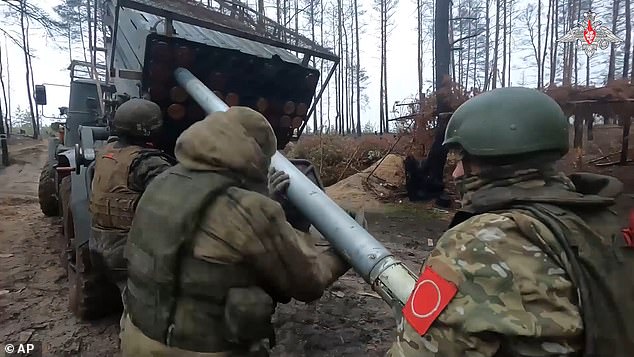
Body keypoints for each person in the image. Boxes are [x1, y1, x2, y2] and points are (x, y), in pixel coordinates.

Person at [388, 87, 634, 357]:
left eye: (463, 159)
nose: (456, 173)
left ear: (490, 162)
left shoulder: (477, 244)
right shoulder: (605, 221)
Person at [120, 106, 365, 356]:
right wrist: (345, 247)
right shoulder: (250, 210)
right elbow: (308, 284)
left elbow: (205, 231)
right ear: (257, 154)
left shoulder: (162, 181)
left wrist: (265, 198)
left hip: (136, 337)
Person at [89, 98, 174, 293]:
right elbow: (174, 208)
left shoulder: (106, 152)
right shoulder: (150, 163)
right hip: (128, 254)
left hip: (98, 243)